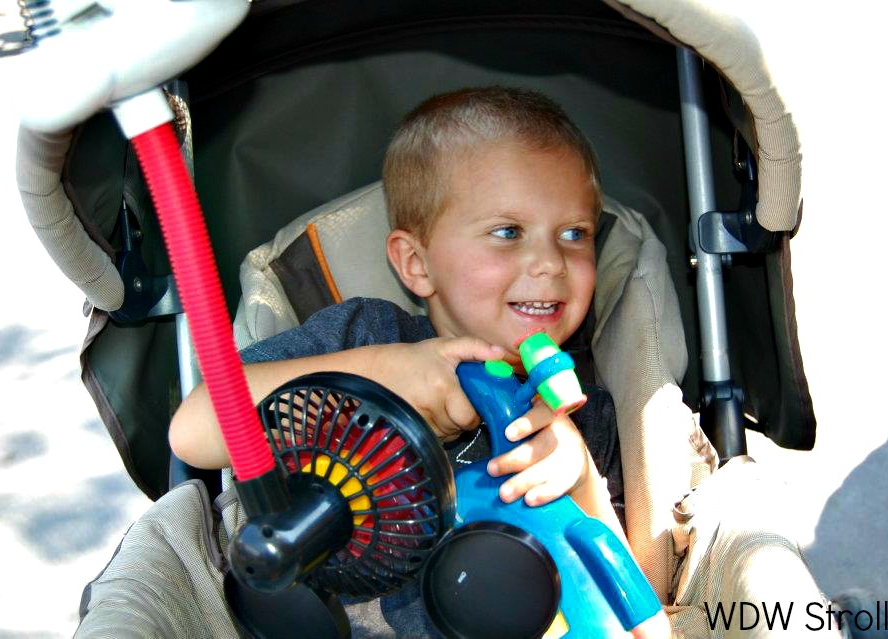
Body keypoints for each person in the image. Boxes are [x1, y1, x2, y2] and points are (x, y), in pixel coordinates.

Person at [169, 86, 672, 638]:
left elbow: (619, 582)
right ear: (416, 263)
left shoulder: (578, 407)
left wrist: (577, 475)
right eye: (508, 232)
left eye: (575, 234)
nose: (551, 262)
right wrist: (389, 375)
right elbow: (195, 431)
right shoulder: (363, 334)